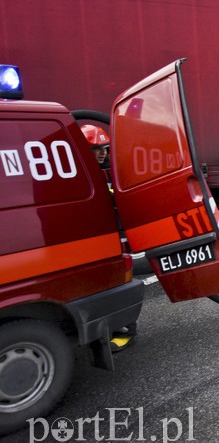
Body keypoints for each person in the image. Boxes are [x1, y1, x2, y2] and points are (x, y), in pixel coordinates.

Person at [81, 123, 136, 351]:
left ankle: (126, 330)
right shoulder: (83, 173)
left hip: (109, 238)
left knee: (116, 282)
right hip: (91, 240)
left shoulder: (104, 173)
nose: (103, 152)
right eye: (97, 148)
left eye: (104, 147)